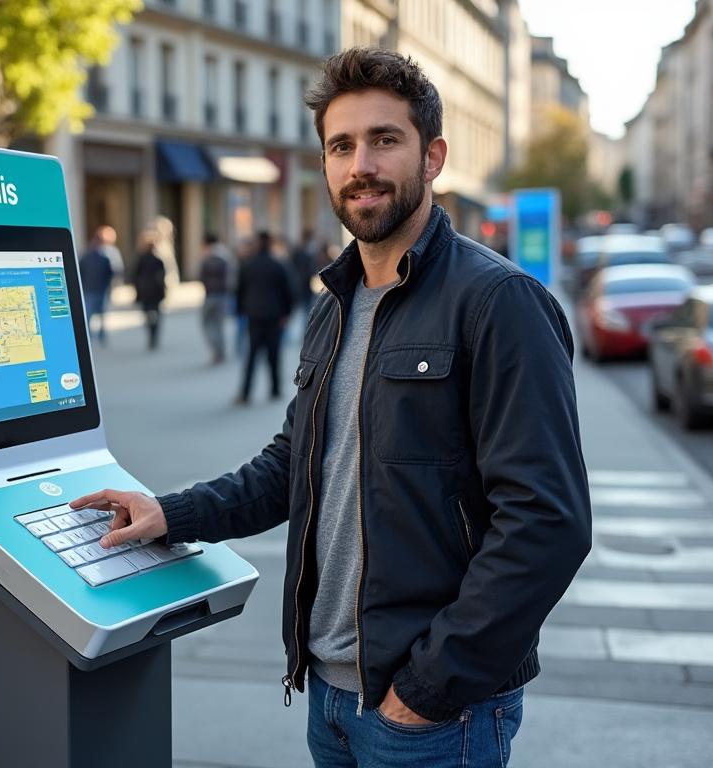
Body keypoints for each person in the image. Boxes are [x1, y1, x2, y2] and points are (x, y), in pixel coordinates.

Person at [69, 48, 590, 768]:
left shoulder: (498, 303)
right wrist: (172, 513)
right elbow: (294, 465)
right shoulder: (335, 305)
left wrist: (430, 686)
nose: (360, 165)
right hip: (329, 699)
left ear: (431, 156)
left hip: (432, 714)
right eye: (341, 146)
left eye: (384, 140)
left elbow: (548, 523)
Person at [235, 231, 294, 404]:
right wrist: (287, 313)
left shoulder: (248, 265)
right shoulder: (278, 265)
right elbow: (288, 292)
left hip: (254, 315)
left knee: (252, 355)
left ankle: (245, 393)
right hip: (274, 316)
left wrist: (241, 311)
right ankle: (275, 389)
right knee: (274, 354)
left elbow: (239, 291)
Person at [197, 233, 233, 364]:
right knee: (219, 325)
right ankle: (220, 351)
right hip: (223, 295)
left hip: (210, 295)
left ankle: (217, 350)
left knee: (207, 324)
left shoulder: (206, 258)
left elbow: (201, 276)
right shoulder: (226, 257)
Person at [79, 226, 118, 345]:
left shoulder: (106, 256)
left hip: (97, 289)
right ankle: (92, 335)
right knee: (92, 314)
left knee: (97, 314)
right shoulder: (88, 256)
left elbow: (111, 272)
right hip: (93, 289)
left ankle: (99, 335)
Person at [131, 229, 167, 351]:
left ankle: (151, 336)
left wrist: (137, 292)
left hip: (146, 292)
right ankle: (154, 336)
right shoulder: (157, 260)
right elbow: (162, 278)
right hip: (155, 292)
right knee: (155, 315)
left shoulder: (142, 260)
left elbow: (135, 278)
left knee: (148, 315)